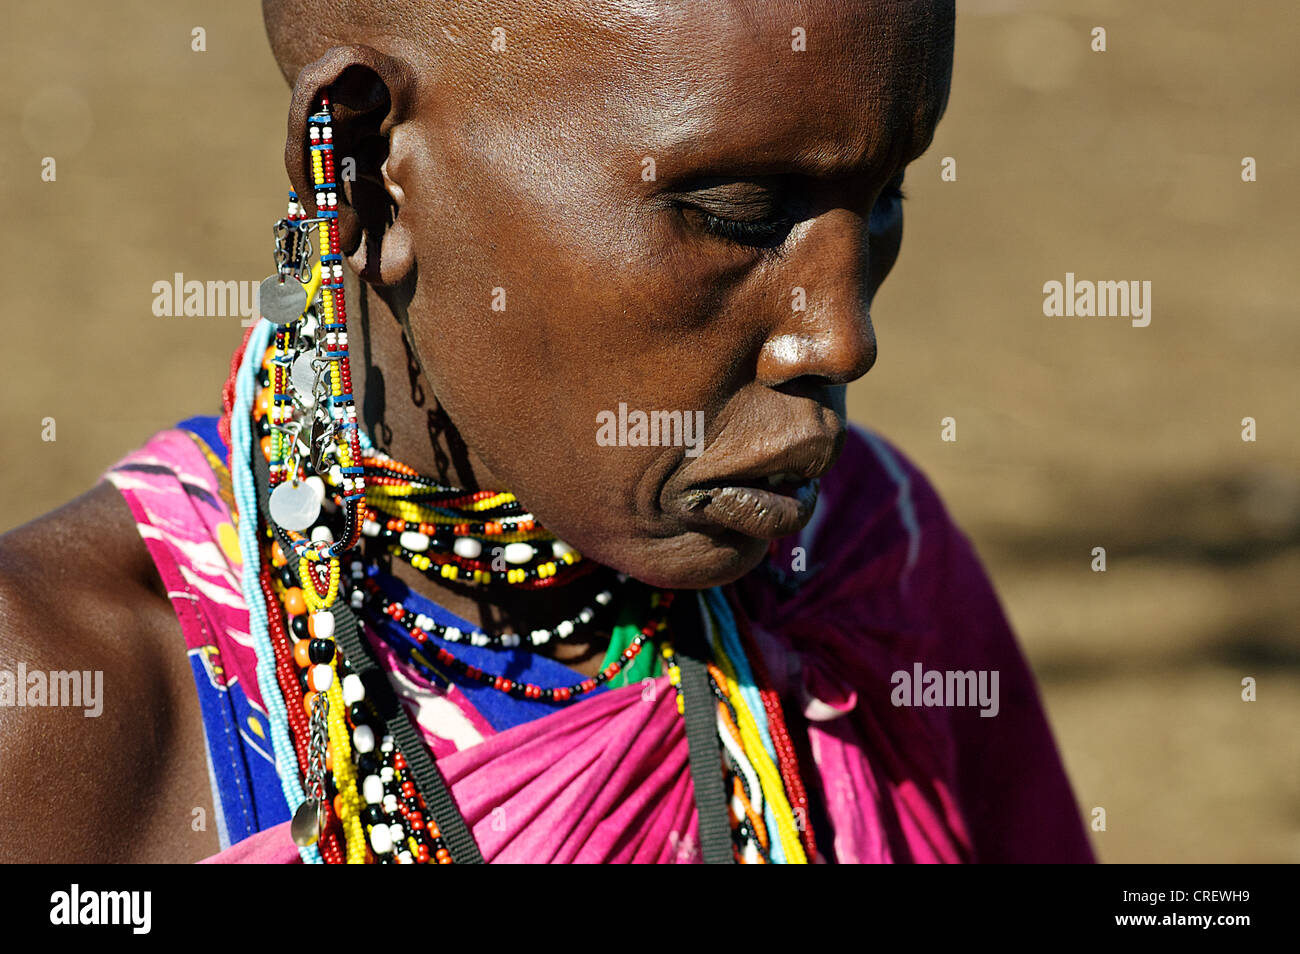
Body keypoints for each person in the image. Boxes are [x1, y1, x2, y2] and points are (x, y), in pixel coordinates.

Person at [0, 0, 1093, 863]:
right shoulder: (65, 703)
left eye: (885, 193)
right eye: (739, 214)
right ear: (365, 165)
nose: (838, 336)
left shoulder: (864, 577)